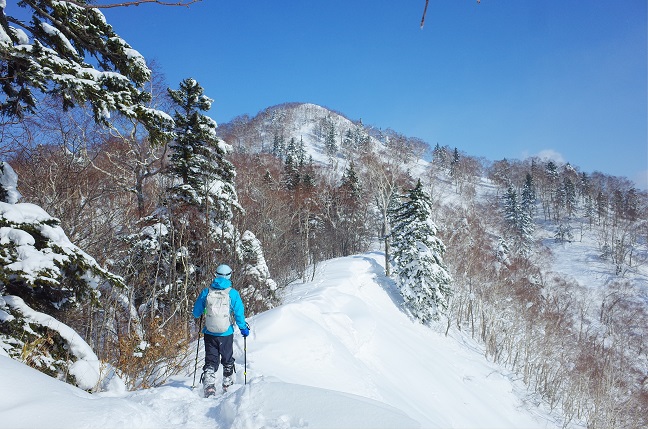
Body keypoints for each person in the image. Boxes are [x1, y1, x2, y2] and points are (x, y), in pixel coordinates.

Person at [193, 263, 249, 397]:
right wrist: (243, 329)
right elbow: (239, 314)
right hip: (226, 333)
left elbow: (196, 313)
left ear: (215, 275)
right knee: (227, 358)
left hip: (209, 333)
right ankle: (227, 385)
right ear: (230, 276)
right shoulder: (233, 294)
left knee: (211, 360)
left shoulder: (206, 292)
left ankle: (209, 387)